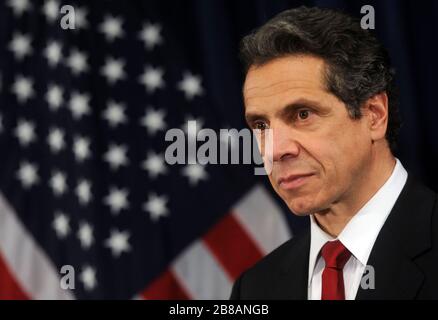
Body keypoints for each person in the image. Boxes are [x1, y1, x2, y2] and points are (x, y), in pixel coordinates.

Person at [230, 6, 438, 300]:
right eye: (261, 125)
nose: (275, 150)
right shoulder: (254, 288)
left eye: (302, 114)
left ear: (374, 116)